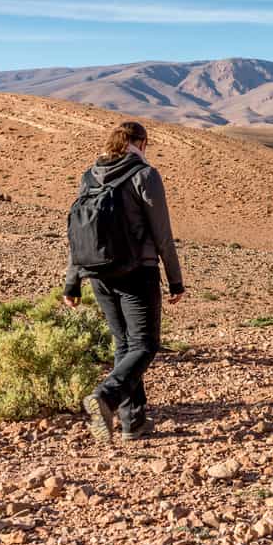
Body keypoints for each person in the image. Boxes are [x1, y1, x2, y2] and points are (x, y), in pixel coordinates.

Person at [62, 121, 185, 443]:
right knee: (145, 344)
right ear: (140, 143)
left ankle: (133, 423)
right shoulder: (145, 174)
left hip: (98, 273)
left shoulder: (90, 175)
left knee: (125, 345)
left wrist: (72, 282)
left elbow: (79, 234)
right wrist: (175, 279)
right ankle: (106, 397)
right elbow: (162, 234)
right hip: (137, 272)